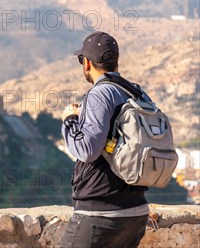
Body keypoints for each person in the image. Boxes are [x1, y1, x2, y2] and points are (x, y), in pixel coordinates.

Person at [60, 31, 149, 248]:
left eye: (82, 60)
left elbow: (87, 150)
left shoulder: (100, 94)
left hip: (100, 213)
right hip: (135, 212)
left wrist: (69, 120)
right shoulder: (138, 94)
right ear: (115, 60)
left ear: (87, 63)